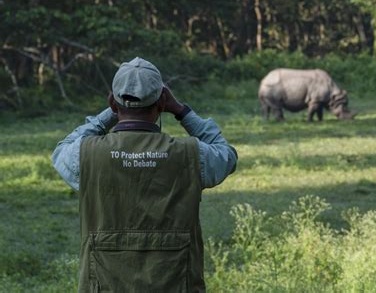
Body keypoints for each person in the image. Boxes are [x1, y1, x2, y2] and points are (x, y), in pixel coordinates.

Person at [51, 57, 238, 292]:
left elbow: (61, 150)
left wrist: (109, 114)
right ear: (161, 102)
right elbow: (226, 155)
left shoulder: (85, 154)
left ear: (112, 100)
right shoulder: (190, 153)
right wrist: (181, 111)